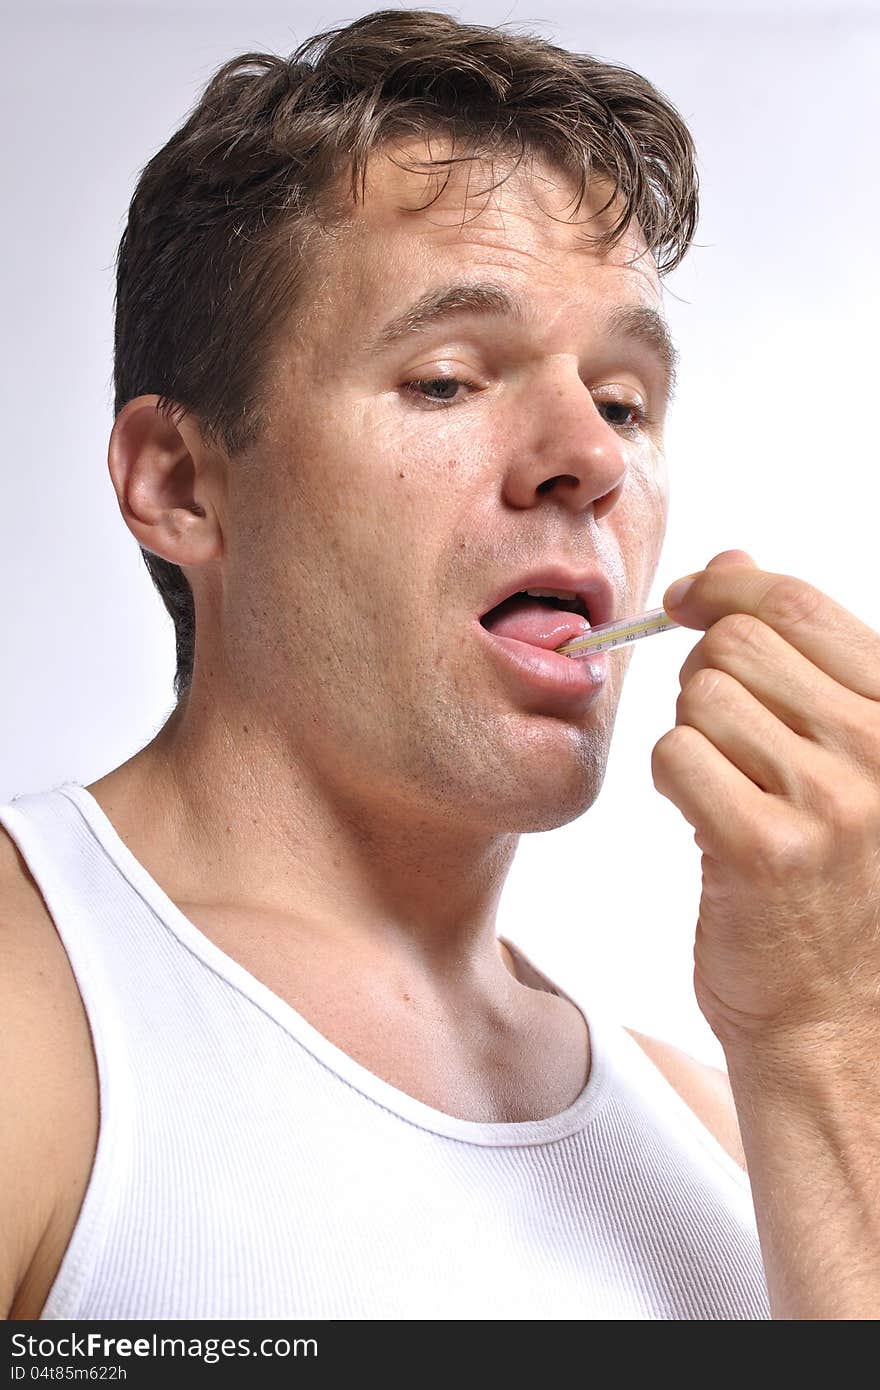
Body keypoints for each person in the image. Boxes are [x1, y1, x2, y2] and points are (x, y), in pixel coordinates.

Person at [4, 10, 877, 1323]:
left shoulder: (738, 1126)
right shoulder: (37, 1007)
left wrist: (826, 1030)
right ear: (181, 482)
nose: (588, 453)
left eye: (628, 400)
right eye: (449, 379)